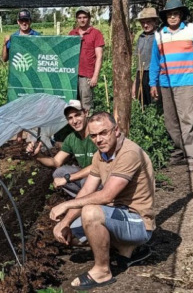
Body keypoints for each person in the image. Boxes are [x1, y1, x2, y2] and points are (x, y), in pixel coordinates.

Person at [48, 112, 155, 290]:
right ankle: (126, 250)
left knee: (90, 212)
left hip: (138, 222)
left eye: (103, 133)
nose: (99, 139)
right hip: (118, 215)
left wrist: (66, 204)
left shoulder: (129, 153)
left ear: (116, 130)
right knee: (69, 235)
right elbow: (87, 190)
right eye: (94, 135)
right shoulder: (100, 155)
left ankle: (102, 271)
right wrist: (65, 221)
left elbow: (106, 196)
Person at [149, 0, 193, 172]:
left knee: (187, 119)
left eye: (176, 13)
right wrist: (153, 83)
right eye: (169, 14)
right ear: (165, 17)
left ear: (181, 15)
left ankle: (192, 157)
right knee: (171, 121)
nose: (173, 17)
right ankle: (180, 151)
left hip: (186, 81)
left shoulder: (192, 30)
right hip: (165, 83)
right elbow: (155, 61)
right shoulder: (159, 34)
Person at [26, 100, 98, 198]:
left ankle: (87, 200)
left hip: (101, 176)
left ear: (86, 113)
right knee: (58, 173)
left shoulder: (97, 135)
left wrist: (68, 178)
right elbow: (56, 162)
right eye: (70, 118)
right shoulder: (72, 138)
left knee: (87, 181)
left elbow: (99, 166)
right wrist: (37, 156)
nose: (75, 121)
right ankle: (84, 198)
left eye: (77, 115)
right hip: (86, 175)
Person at [69, 7, 105, 114]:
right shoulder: (72, 33)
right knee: (73, 103)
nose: (82, 20)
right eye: (79, 17)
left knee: (86, 104)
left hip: (87, 75)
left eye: (85, 17)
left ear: (89, 18)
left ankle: (88, 127)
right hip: (72, 74)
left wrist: (95, 76)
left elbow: (99, 56)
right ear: (76, 19)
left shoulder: (95, 33)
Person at [131, 8, 160, 106]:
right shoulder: (141, 37)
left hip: (154, 73)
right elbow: (139, 60)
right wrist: (135, 82)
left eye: (148, 22)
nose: (145, 25)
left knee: (154, 100)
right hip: (141, 73)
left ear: (155, 21)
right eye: (143, 22)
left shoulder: (159, 36)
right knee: (141, 102)